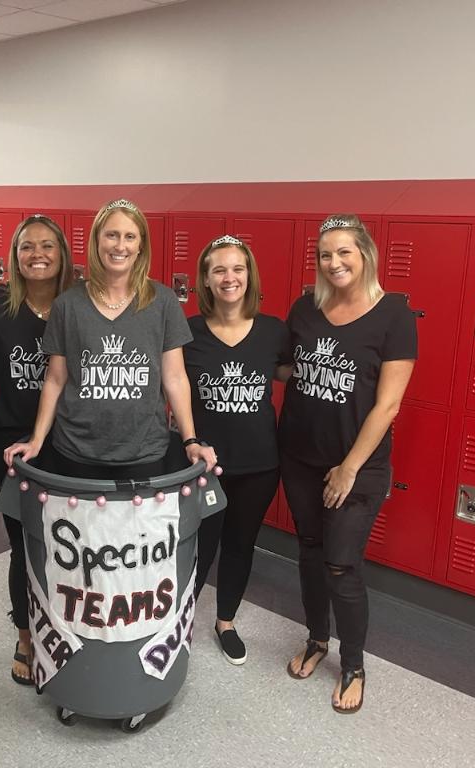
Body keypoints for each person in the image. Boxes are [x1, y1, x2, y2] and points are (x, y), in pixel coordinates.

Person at [278, 214, 416, 714]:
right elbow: (287, 366)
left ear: (366, 256)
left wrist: (349, 467)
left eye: (344, 253)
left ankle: (353, 662)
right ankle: (317, 638)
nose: (334, 263)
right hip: (298, 455)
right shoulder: (306, 307)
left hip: (357, 466)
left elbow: (388, 405)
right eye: (325, 255)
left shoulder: (394, 314)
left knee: (340, 562)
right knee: (311, 551)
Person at [4, 198, 216, 479]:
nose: (120, 246)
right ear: (97, 241)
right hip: (76, 450)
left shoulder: (163, 302)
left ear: (140, 246)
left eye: (130, 237)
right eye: (112, 235)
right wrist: (37, 439)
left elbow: (175, 377)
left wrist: (190, 440)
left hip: (144, 451)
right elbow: (55, 379)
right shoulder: (68, 305)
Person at [0, 214, 73, 686]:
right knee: (22, 544)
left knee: (67, 544)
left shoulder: (79, 302)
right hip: (10, 442)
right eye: (27, 246)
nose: (37, 255)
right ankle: (25, 634)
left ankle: (69, 623)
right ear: (14, 255)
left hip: (71, 442)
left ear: (62, 253)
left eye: (47, 246)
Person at [184, 235, 289, 665]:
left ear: (250, 276)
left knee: (241, 544)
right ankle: (180, 618)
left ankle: (225, 621)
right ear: (206, 280)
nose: (230, 277)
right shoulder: (187, 332)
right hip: (204, 466)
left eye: (238, 269)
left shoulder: (273, 331)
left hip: (259, 463)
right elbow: (169, 389)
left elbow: (292, 372)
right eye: (220, 270)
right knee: (198, 544)